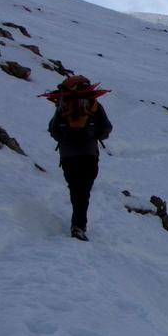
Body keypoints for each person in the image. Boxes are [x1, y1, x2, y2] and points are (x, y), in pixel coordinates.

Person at [46, 75, 112, 241]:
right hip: (89, 154)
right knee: (84, 191)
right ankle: (78, 226)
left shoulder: (62, 105)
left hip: (68, 155)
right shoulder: (93, 105)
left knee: (76, 189)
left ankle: (77, 221)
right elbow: (106, 129)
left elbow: (54, 130)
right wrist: (93, 135)